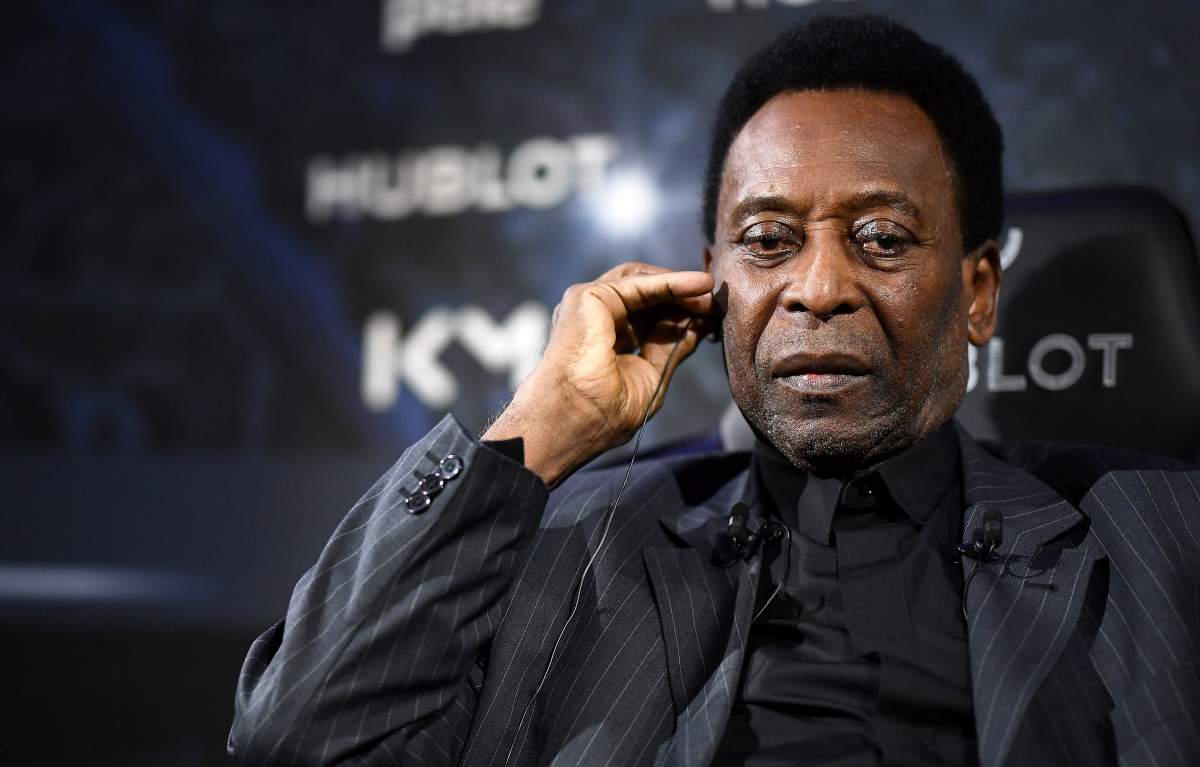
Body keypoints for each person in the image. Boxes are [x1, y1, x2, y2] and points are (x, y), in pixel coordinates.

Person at [228, 14, 1200, 767]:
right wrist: (540, 428)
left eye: (882, 239)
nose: (817, 287)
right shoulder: (564, 546)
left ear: (978, 292)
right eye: (769, 240)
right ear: (712, 280)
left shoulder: (1165, 534)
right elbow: (301, 735)